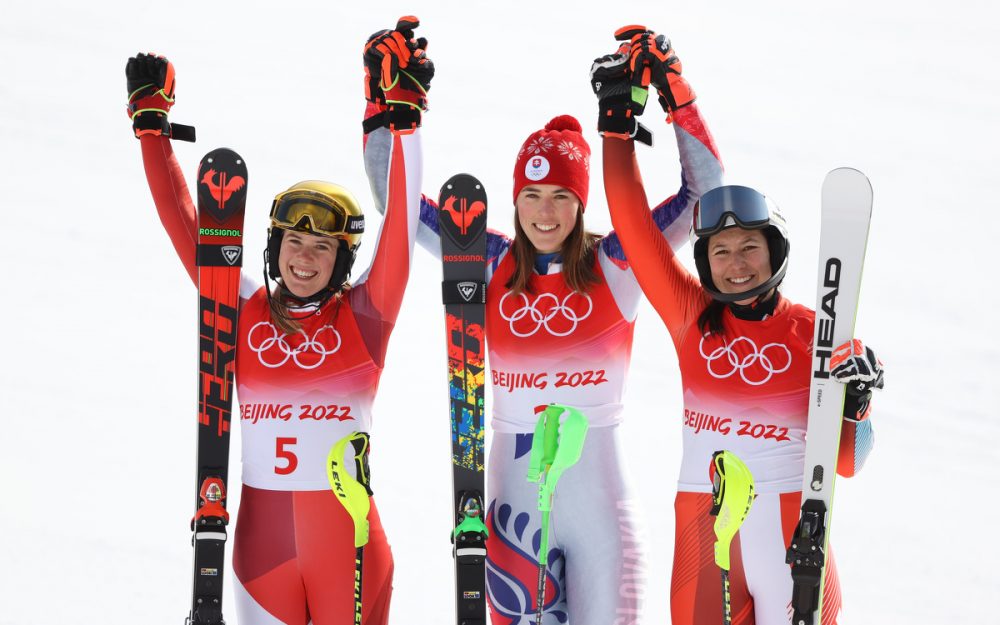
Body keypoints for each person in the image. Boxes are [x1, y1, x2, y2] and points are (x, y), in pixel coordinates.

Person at [362, 31, 723, 625]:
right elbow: (393, 202)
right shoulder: (485, 261)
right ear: (514, 200)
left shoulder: (619, 263)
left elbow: (704, 197)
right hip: (510, 510)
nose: (545, 212)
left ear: (582, 202)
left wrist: (676, 94)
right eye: (531, 195)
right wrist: (384, 104)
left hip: (601, 513)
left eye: (561, 195)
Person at [127, 18, 431, 625]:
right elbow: (188, 224)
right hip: (260, 554)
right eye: (294, 241)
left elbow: (400, 221)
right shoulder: (239, 310)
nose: (304, 257)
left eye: (322, 247)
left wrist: (404, 121)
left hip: (348, 550)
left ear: (344, 258)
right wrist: (151, 128)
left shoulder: (366, 315)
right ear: (274, 247)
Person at [600, 28, 885, 625]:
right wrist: (618, 126)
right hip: (705, 534)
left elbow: (849, 462)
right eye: (721, 252)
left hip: (791, 535)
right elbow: (629, 217)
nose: (735, 264)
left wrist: (855, 406)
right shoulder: (690, 317)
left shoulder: (817, 332)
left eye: (749, 246)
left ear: (775, 252)